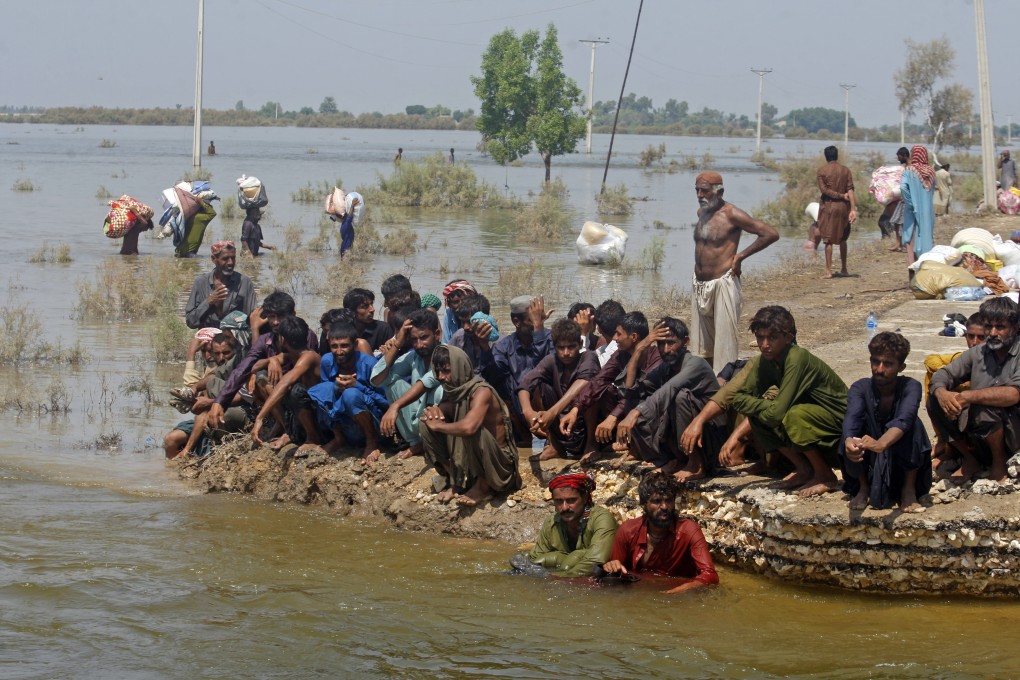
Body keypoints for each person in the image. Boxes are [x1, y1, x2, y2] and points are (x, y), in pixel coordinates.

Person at [730, 306, 848, 497]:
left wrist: (769, 408)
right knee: (758, 417)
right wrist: (767, 407)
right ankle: (803, 469)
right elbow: (739, 398)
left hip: (838, 421)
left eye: (772, 338)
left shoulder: (797, 357)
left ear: (788, 337)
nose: (764, 344)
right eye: (760, 337)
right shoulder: (765, 361)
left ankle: (825, 475)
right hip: (811, 417)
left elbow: (777, 413)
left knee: (793, 415)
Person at [615, 317, 724, 481]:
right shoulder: (665, 367)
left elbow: (670, 388)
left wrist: (635, 414)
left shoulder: (696, 364)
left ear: (685, 341)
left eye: (671, 343)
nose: (665, 349)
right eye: (660, 344)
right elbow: (630, 392)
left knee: (679, 397)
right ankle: (672, 459)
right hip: (681, 436)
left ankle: (696, 465)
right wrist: (639, 349)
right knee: (636, 400)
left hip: (710, 435)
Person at [205, 291, 319, 444]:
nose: (276, 322)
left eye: (281, 316)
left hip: (302, 394)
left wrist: (274, 360)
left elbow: (295, 374)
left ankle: (299, 432)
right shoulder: (267, 339)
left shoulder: (305, 334)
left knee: (295, 389)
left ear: (293, 314)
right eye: (272, 317)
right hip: (278, 393)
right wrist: (220, 401)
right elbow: (244, 368)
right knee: (261, 377)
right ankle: (286, 428)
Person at [692, 170, 779, 370]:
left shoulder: (732, 214)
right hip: (700, 284)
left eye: (703, 191)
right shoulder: (701, 213)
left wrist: (740, 256)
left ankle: (725, 386)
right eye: (696, 190)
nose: (699, 195)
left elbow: (770, 234)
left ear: (718, 191)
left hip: (723, 282)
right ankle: (706, 386)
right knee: (703, 347)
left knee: (725, 343)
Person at [929, 297, 1020, 485]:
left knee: (985, 406)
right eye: (988, 327)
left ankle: (998, 464)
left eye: (1000, 327)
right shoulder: (979, 352)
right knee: (935, 400)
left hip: (1014, 430)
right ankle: (970, 459)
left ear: (1015, 327)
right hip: (980, 430)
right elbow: (943, 374)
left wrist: (968, 396)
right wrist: (942, 393)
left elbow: (1013, 394)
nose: (993, 333)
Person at [419, 345, 521, 506]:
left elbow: (469, 427)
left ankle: (483, 486)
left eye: (446, 371)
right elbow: (440, 412)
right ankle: (455, 479)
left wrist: (438, 426)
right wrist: (432, 413)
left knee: (471, 430)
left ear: (460, 367)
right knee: (425, 424)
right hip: (474, 466)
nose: (441, 377)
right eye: (438, 372)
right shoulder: (455, 392)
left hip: (499, 467)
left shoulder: (481, 392)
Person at [842, 332, 932, 512]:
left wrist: (881, 444)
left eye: (888, 364)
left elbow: (904, 419)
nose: (879, 369)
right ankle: (863, 487)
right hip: (869, 459)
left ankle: (908, 489)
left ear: (901, 367)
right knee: (850, 432)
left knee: (914, 425)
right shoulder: (860, 387)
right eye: (875, 361)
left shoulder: (911, 386)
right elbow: (852, 417)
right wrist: (849, 442)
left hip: (900, 458)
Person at [561, 311, 662, 465]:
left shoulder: (656, 358)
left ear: (634, 337)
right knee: (600, 390)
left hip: (648, 410)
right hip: (628, 408)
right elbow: (599, 381)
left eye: (619, 334)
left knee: (638, 397)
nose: (614, 338)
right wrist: (576, 408)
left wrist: (613, 416)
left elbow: (641, 394)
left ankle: (636, 445)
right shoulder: (620, 355)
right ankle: (595, 443)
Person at [602, 472, 719, 593]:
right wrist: (611, 566)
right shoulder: (627, 531)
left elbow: (710, 576)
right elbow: (616, 574)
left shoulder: (689, 531)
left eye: (668, 500)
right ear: (643, 505)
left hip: (677, 598)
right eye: (657, 501)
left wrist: (678, 591)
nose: (664, 506)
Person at [519, 318, 600, 462]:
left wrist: (553, 411)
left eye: (571, 347)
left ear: (580, 344)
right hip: (561, 423)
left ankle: (591, 445)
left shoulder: (589, 356)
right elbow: (525, 383)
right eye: (561, 348)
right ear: (555, 346)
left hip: (585, 422)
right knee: (539, 386)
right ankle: (555, 446)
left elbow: (584, 381)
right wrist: (527, 412)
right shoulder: (551, 360)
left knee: (589, 390)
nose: (566, 352)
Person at [308, 322, 388, 462]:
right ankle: (338, 438)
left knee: (350, 395)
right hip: (344, 423)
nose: (339, 351)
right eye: (334, 346)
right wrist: (336, 387)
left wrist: (357, 386)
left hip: (372, 424)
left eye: (344, 345)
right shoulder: (327, 360)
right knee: (324, 389)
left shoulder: (369, 364)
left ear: (355, 344)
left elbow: (385, 402)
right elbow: (326, 396)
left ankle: (371, 442)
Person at [517, 471, 618, 577]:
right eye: (559, 501)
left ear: (584, 498)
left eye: (571, 500)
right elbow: (536, 557)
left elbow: (596, 560)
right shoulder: (551, 523)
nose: (564, 507)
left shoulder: (602, 519)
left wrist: (559, 577)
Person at [374, 308, 444, 458]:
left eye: (424, 337)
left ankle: (428, 442)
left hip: (442, 425)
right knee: (393, 384)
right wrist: (397, 343)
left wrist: (396, 405)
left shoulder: (446, 354)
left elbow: (427, 381)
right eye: (414, 340)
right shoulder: (414, 356)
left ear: (437, 334)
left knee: (441, 392)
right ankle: (415, 441)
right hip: (420, 419)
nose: (419, 345)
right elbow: (378, 380)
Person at [163, 334, 246, 459]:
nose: (221, 357)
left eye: (226, 353)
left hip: (230, 415)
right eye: (215, 353)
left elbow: (241, 397)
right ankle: (172, 472)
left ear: (235, 351)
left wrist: (190, 355)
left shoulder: (240, 366)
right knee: (170, 439)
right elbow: (199, 410)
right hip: (206, 417)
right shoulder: (215, 372)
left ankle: (187, 454)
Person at [250, 316, 324, 449]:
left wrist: (260, 417)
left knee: (294, 390)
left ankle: (313, 438)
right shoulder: (292, 355)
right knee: (264, 377)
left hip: (321, 412)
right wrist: (271, 360)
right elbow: (255, 367)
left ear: (282, 339)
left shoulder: (309, 356)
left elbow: (286, 382)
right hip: (307, 409)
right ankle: (291, 433)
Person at [924, 312, 986, 470]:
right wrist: (947, 381)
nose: (974, 343)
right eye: (970, 337)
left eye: (980, 337)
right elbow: (931, 359)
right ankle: (949, 446)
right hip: (961, 409)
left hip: (986, 414)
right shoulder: (963, 357)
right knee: (934, 386)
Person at [492, 295, 554, 443]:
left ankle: (552, 439)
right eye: (531, 320)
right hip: (517, 408)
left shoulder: (552, 338)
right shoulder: (504, 346)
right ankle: (520, 439)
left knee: (541, 383)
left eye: (538, 319)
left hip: (549, 404)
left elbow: (547, 368)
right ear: (516, 322)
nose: (535, 324)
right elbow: (494, 375)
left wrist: (539, 330)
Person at [184, 241, 256, 329]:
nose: (230, 262)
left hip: (234, 338)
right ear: (214, 259)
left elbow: (252, 319)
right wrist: (209, 301)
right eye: (225, 259)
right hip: (208, 338)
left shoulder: (245, 283)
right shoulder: (201, 283)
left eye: (233, 258)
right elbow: (190, 322)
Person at [816, 145, 857, 279]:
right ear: (837, 156)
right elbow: (850, 190)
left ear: (826, 156)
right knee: (843, 238)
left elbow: (825, 191)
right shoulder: (845, 171)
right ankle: (844, 269)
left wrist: (839, 196)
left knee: (828, 240)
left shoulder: (822, 171)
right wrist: (853, 208)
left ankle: (828, 271)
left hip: (829, 207)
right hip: (844, 207)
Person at [900, 145, 936, 268]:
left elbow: (903, 187)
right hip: (927, 212)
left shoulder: (908, 171)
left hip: (912, 210)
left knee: (911, 236)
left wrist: (909, 203)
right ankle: (925, 267)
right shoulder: (931, 172)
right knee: (926, 235)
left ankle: (912, 268)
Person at [882, 147, 911, 250]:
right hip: (903, 199)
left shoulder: (909, 168)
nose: (898, 160)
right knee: (896, 221)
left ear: (904, 155)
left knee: (900, 222)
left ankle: (903, 244)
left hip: (906, 200)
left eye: (899, 157)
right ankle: (899, 244)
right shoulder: (906, 167)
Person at [592, 299, 626, 367]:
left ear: (599, 329)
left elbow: (588, 368)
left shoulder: (614, 350)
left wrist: (583, 334)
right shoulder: (604, 348)